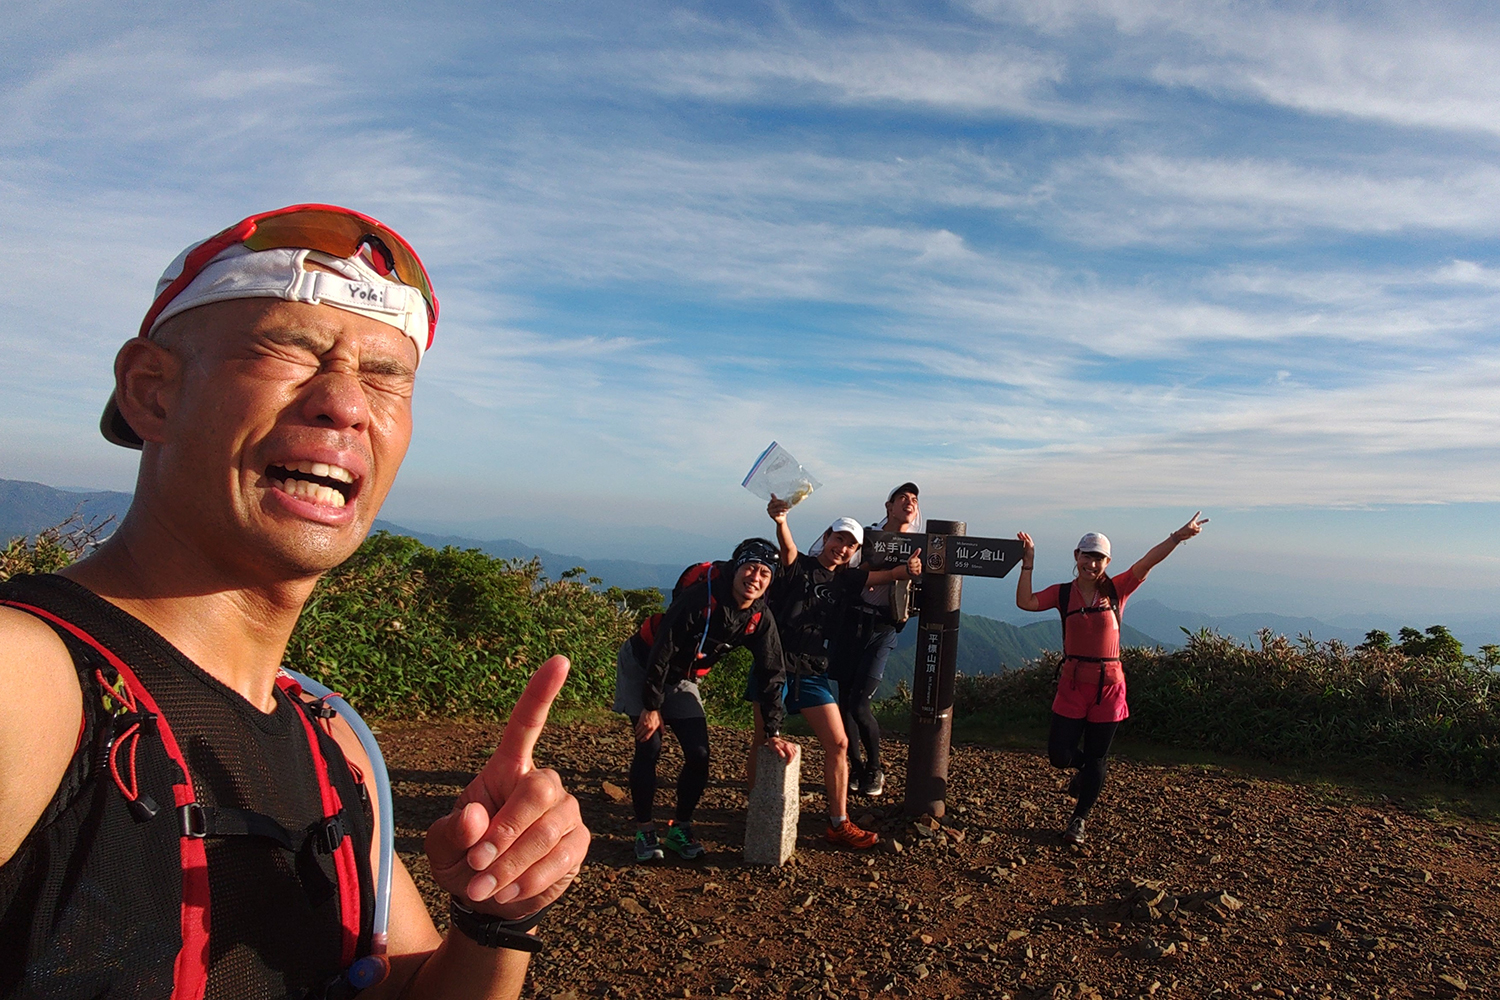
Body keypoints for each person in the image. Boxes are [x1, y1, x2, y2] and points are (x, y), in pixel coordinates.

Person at [0, 205, 587, 1000]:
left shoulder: (334, 741)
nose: (346, 404)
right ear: (151, 393)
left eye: (386, 377)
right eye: (290, 351)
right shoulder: (24, 686)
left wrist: (498, 917)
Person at [1015, 514, 1208, 845]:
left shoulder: (1118, 589)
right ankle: (1086, 771)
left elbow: (1148, 561)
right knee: (1059, 754)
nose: (1092, 563)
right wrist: (1028, 564)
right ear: (1076, 557)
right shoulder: (1063, 594)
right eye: (1087, 555)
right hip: (1073, 684)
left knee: (1098, 757)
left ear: (1107, 562)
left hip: (1109, 687)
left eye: (1099, 557)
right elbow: (1025, 602)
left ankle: (1079, 819)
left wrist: (1178, 536)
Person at [747, 499, 922, 850]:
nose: (842, 548)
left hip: (812, 671)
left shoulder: (848, 580)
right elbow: (788, 549)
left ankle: (839, 822)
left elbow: (889, 576)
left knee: (839, 743)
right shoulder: (800, 567)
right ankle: (759, 808)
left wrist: (912, 567)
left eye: (850, 545)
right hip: (774, 667)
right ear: (826, 537)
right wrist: (781, 520)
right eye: (838, 539)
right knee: (764, 740)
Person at [612, 538, 794, 863]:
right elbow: (661, 652)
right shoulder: (700, 600)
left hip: (682, 675)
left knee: (698, 754)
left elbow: (772, 673)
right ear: (737, 567)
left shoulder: (759, 617)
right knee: (650, 744)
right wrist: (652, 708)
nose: (755, 577)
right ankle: (644, 829)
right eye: (750, 567)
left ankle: (680, 828)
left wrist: (773, 732)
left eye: (765, 572)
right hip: (643, 664)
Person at [834, 482, 921, 798]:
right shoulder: (867, 536)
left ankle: (875, 768)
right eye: (902, 498)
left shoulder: (919, 547)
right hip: (852, 622)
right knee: (845, 700)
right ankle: (855, 767)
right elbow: (846, 572)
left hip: (884, 628)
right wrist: (894, 568)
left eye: (913, 500)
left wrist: (914, 572)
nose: (909, 503)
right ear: (889, 506)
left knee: (859, 703)